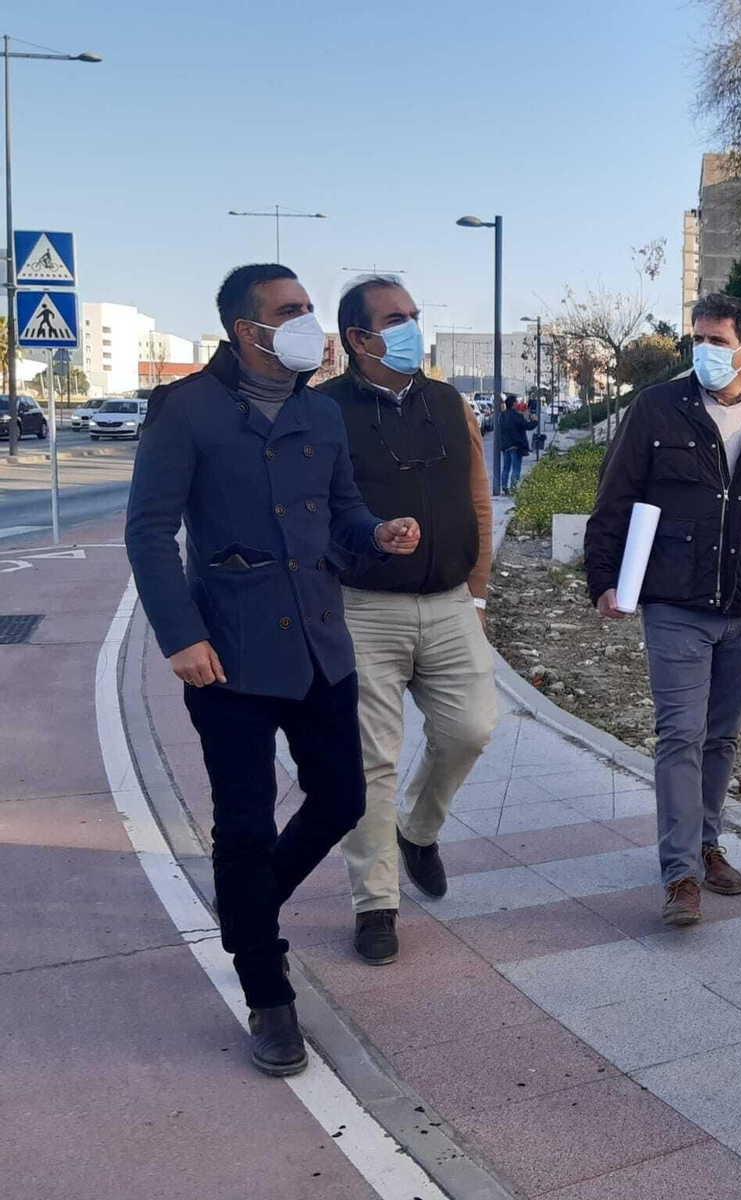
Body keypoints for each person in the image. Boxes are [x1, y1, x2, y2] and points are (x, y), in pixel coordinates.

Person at [125, 264, 421, 1076]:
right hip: (228, 654)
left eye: (307, 309)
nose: (305, 323)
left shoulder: (319, 412)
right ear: (244, 330)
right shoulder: (185, 410)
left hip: (321, 643)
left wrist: (377, 532)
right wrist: (178, 636)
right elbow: (149, 534)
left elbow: (342, 510)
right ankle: (268, 990)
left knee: (342, 797)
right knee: (245, 826)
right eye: (288, 312)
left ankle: (246, 909)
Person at [585, 293, 741, 926]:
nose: (703, 351)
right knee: (679, 734)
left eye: (717, 340)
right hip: (676, 604)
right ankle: (680, 873)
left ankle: (709, 844)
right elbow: (615, 497)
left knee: (721, 737)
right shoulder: (657, 408)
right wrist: (603, 579)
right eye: (698, 339)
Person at [317, 276, 498, 964]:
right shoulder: (322, 411)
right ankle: (376, 903)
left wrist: (478, 597)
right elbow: (313, 514)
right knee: (370, 762)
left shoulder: (450, 404)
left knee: (472, 728)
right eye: (396, 320)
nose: (412, 329)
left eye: (415, 317)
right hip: (362, 609)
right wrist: (364, 540)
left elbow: (478, 500)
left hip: (450, 603)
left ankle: (418, 831)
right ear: (359, 338)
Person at [496, 394, 531, 491]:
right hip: (515, 446)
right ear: (513, 404)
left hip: (505, 446)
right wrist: (535, 421)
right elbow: (527, 426)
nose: (518, 404)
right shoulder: (516, 416)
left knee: (506, 468)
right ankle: (513, 487)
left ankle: (504, 487)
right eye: (516, 402)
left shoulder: (502, 416)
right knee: (516, 468)